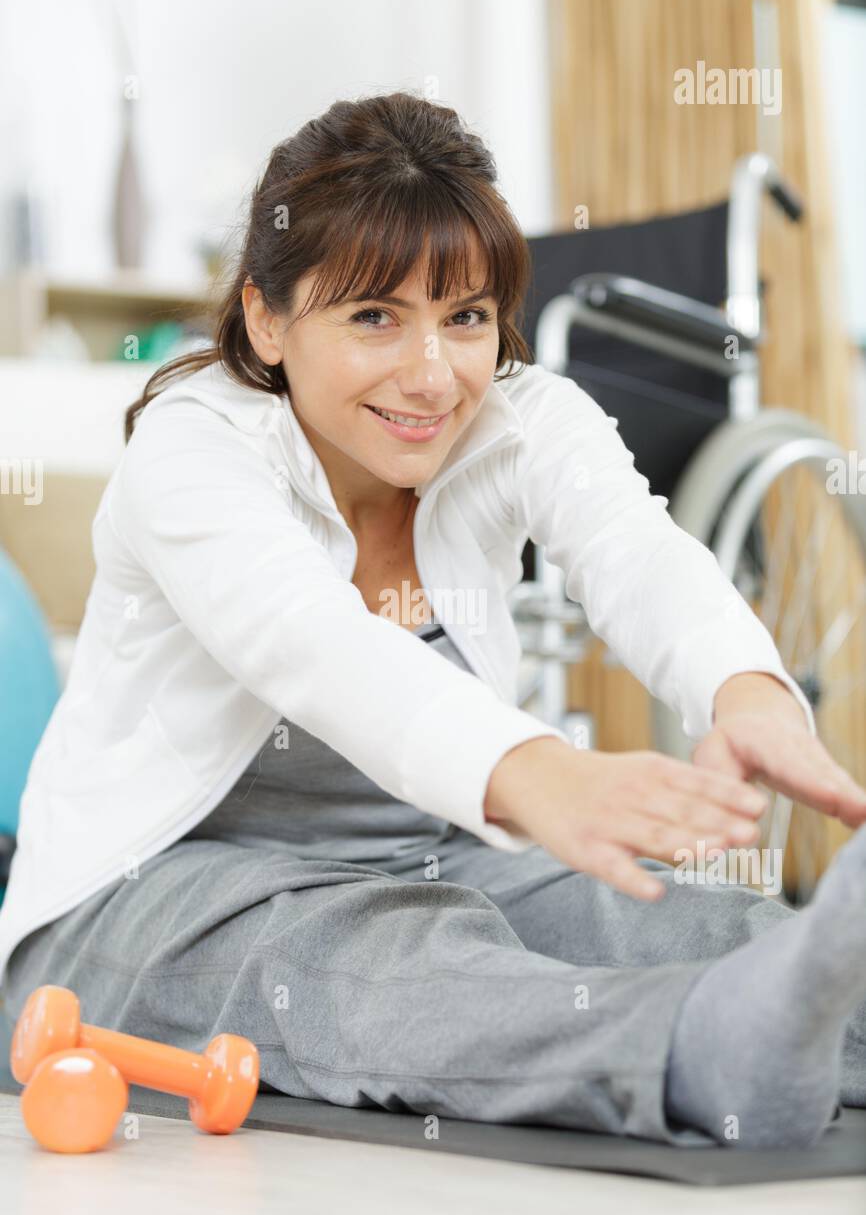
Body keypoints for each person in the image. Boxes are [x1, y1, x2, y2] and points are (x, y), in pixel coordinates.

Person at [3, 91, 866, 1150]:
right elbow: (313, 645)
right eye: (373, 316)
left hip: (425, 858)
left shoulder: (521, 418)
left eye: (463, 316)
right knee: (379, 956)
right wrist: (541, 772)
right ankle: (698, 1054)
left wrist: (749, 694)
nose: (430, 375)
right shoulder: (191, 451)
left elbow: (637, 554)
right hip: (147, 896)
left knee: (671, 916)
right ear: (268, 318)